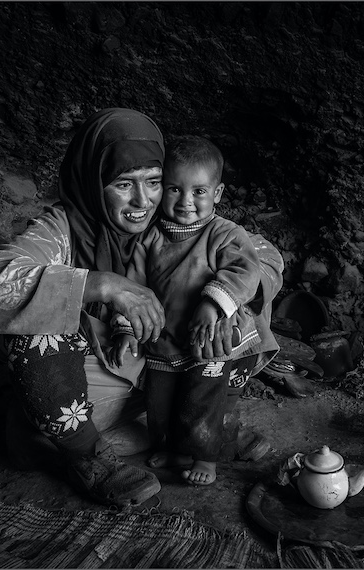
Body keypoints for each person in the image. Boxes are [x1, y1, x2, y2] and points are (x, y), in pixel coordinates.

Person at [0, 108, 282, 508]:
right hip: (89, 384)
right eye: (122, 184)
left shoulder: (177, 224)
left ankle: (210, 427)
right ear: (93, 180)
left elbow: (265, 257)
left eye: (154, 182)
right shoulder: (63, 228)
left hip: (164, 372)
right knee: (34, 328)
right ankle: (85, 454)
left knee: (239, 294)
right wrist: (102, 284)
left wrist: (222, 304)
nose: (142, 201)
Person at [109, 136, 264, 486]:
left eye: (199, 191)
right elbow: (132, 286)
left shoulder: (224, 234)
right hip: (164, 342)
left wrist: (212, 304)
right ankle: (176, 449)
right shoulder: (151, 238)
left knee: (201, 404)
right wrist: (127, 329)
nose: (186, 201)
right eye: (174, 189)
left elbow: (246, 272)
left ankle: (205, 457)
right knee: (160, 405)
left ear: (218, 193)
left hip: (209, 340)